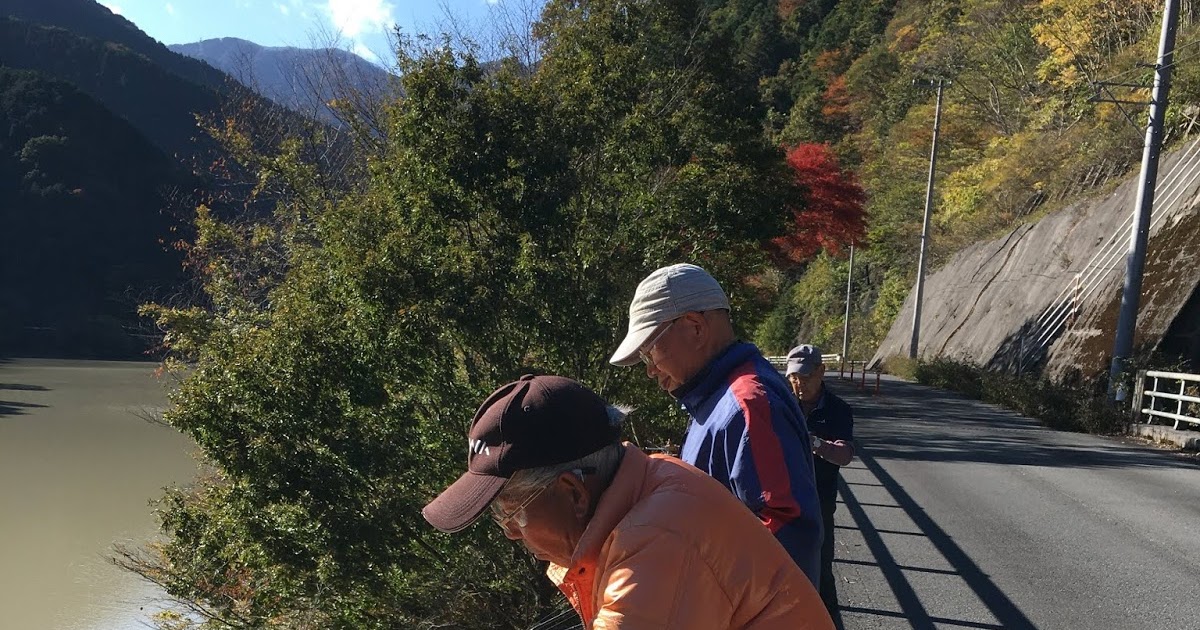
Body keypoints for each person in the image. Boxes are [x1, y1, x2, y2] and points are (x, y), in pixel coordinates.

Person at [422, 374, 834, 630]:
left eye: (510, 511)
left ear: (574, 492)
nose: (510, 532)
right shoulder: (650, 485)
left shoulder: (656, 541)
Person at [608, 263, 824, 585]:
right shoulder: (719, 399)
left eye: (648, 351)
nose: (650, 369)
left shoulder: (747, 404)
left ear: (695, 327)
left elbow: (787, 538)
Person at [785, 344, 855, 620]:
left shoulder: (838, 409)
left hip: (819, 504)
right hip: (782, 500)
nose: (798, 384)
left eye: (804, 376)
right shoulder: (783, 404)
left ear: (821, 371)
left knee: (820, 571)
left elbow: (844, 454)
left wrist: (814, 443)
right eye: (793, 377)